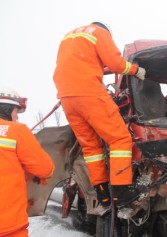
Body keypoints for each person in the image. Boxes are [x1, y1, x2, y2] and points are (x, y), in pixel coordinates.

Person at [53, 22, 146, 208]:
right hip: (89, 93)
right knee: (120, 139)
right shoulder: (99, 33)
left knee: (90, 146)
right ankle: (121, 192)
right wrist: (136, 70)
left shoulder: (69, 36)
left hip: (67, 98)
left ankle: (102, 192)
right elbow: (116, 64)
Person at [0, 85, 55, 237]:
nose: (17, 117)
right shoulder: (16, 131)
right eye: (17, 111)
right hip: (7, 225)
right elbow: (45, 169)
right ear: (7, 108)